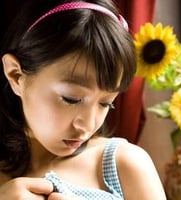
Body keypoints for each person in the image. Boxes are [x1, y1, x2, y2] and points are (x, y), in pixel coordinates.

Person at [0, 0, 167, 199]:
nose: (88, 124)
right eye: (71, 99)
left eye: (106, 103)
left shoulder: (124, 164)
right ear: (16, 75)